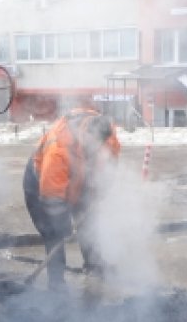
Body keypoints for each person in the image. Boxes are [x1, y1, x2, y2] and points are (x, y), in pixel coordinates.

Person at [22, 108, 120, 290]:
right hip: (40, 184)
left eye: (99, 144)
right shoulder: (59, 148)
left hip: (79, 179)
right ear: (83, 133)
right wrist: (62, 223)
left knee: (89, 222)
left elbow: (111, 164)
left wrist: (101, 188)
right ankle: (56, 281)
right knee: (54, 233)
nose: (96, 147)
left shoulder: (107, 135)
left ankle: (94, 265)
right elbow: (51, 195)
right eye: (92, 143)